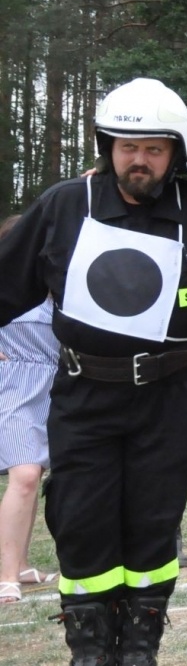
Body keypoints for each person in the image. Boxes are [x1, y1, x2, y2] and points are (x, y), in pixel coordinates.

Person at [0, 78, 187, 666]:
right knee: (81, 524)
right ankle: (90, 658)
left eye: (155, 148)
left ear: (177, 152)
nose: (139, 159)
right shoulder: (65, 205)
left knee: (152, 524)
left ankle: (140, 652)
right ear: (106, 146)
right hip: (85, 394)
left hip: (169, 395)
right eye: (126, 146)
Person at [0, 216, 57, 603]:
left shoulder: (56, 286)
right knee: (23, 476)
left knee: (33, 476)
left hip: (53, 390)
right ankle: (6, 577)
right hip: (13, 390)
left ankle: (19, 564)